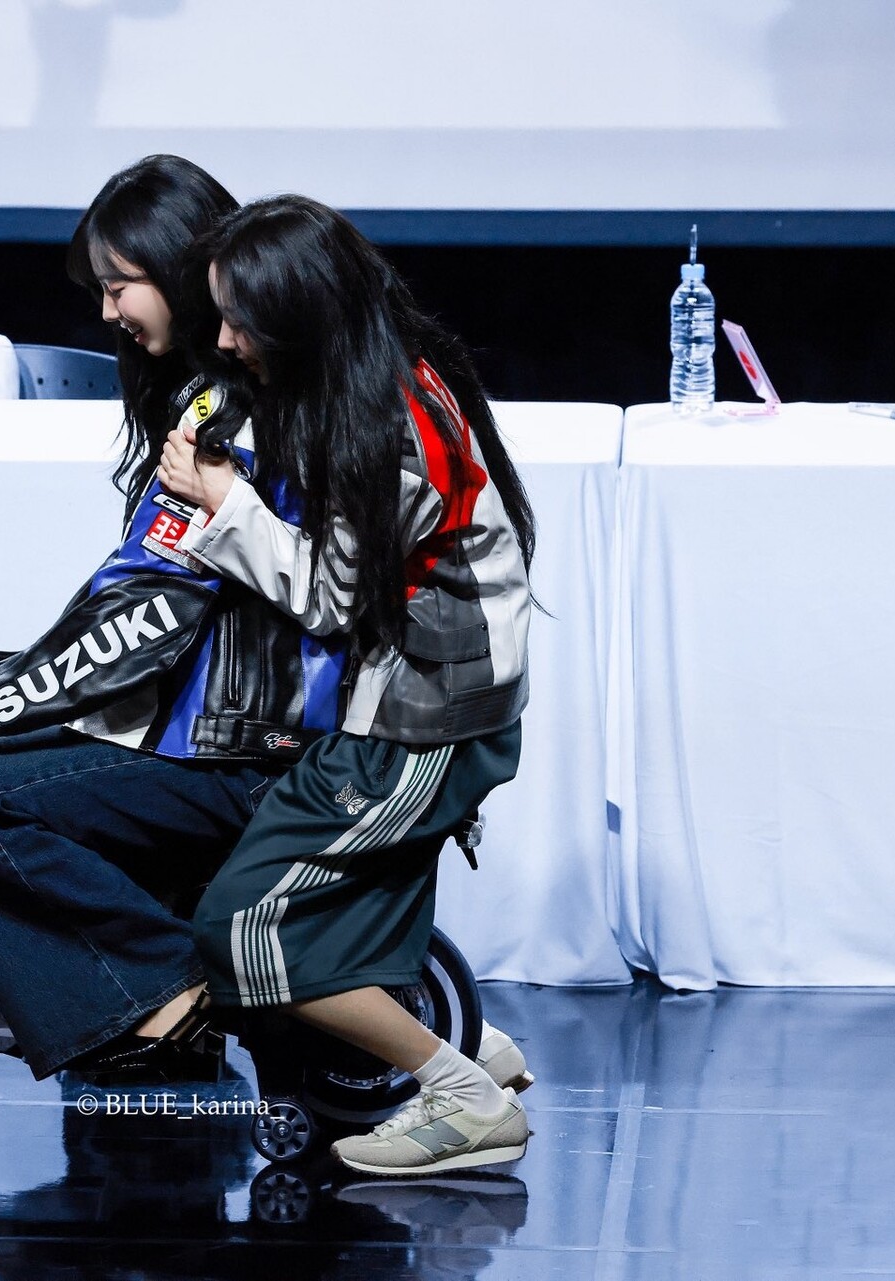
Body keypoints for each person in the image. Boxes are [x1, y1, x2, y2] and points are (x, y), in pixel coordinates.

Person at [0, 157, 347, 1080]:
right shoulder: (220, 396)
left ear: (180, 269)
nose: (106, 312)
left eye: (119, 286)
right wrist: (8, 692)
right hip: (224, 732)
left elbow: (147, 611)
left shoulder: (224, 418)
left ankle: (167, 987)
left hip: (246, 754)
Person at [156, 195, 540, 1176]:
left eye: (241, 320)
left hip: (427, 718)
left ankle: (464, 1098)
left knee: (241, 929)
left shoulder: (382, 422)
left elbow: (330, 597)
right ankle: (471, 1049)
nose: (226, 341)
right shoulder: (385, 376)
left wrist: (222, 503)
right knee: (315, 906)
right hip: (418, 695)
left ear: (302, 312)